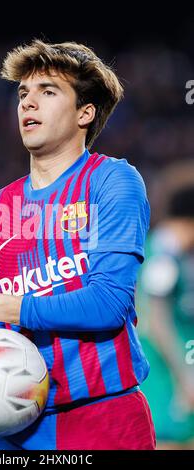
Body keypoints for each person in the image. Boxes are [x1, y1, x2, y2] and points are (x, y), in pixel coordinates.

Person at [0, 39, 155, 450]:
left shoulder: (112, 182)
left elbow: (108, 303)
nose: (28, 103)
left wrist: (5, 306)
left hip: (103, 418)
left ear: (85, 113)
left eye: (48, 92)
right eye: (23, 94)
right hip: (14, 428)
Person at [137, 172, 194, 448]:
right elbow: (156, 322)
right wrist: (185, 376)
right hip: (163, 374)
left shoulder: (163, 250)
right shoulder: (164, 255)